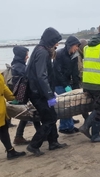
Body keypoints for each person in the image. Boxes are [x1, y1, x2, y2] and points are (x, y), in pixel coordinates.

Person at [26, 27, 68, 156]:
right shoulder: (43, 52)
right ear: (51, 41)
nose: (57, 44)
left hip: (38, 91)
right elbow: (41, 76)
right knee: (50, 119)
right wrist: (49, 95)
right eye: (56, 42)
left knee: (51, 116)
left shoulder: (39, 49)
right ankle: (34, 145)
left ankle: (53, 142)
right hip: (38, 93)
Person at [53, 36, 81, 134]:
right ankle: (64, 127)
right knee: (63, 106)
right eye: (76, 46)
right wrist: (65, 85)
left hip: (68, 82)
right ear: (70, 45)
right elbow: (57, 71)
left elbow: (75, 71)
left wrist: (76, 86)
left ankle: (69, 125)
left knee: (69, 105)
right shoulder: (59, 54)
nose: (77, 48)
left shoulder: (74, 55)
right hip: (58, 83)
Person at [10, 46, 34, 145]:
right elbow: (27, 77)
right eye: (26, 55)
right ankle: (18, 136)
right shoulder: (19, 66)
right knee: (28, 114)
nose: (27, 57)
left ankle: (19, 136)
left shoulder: (17, 64)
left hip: (21, 94)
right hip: (22, 94)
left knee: (29, 114)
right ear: (22, 55)